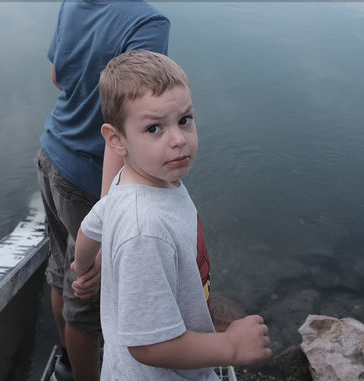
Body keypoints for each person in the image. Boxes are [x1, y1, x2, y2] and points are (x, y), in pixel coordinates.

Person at [72, 51, 270, 380]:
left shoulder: (132, 180)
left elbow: (90, 227)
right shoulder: (145, 230)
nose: (178, 140)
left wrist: (85, 265)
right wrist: (231, 347)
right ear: (117, 140)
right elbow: (149, 346)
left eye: (184, 120)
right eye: (154, 128)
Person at [37, 0, 171, 381]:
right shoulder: (148, 24)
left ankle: (68, 368)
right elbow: (135, 119)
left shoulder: (74, 0)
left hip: (50, 155)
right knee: (87, 301)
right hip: (90, 176)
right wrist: (114, 205)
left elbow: (57, 76)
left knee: (62, 271)